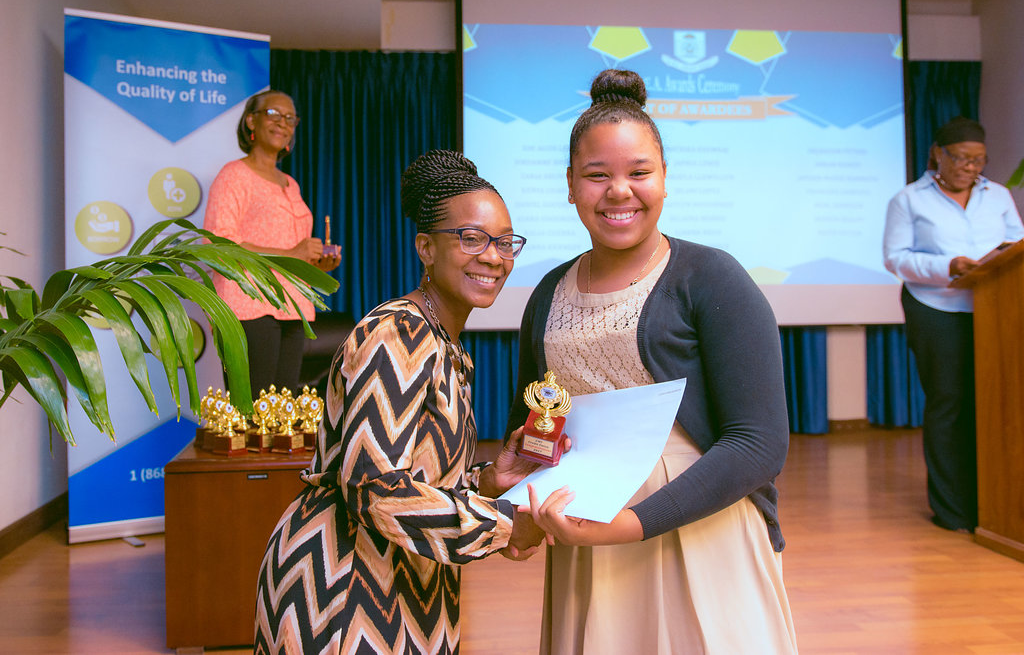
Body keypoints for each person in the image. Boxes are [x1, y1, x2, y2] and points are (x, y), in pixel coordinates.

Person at [508, 69, 798, 654]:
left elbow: (759, 444)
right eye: (597, 175)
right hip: (586, 531)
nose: (619, 191)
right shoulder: (547, 292)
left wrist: (632, 525)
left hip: (698, 525)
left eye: (639, 173)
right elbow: (539, 420)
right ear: (570, 184)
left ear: (665, 178)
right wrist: (524, 511)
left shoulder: (712, 277)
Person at [254, 149, 548, 654]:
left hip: (407, 579)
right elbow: (374, 487)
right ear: (425, 248)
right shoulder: (400, 333)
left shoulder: (445, 343)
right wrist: (503, 525)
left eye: (505, 242)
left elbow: (415, 476)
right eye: (472, 238)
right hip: (345, 587)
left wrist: (487, 481)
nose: (494, 257)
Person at [883, 116, 1024, 533]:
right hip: (935, 308)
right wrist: (949, 266)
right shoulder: (909, 199)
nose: (970, 167)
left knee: (994, 403)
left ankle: (991, 504)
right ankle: (952, 509)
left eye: (978, 160)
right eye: (962, 158)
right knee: (948, 403)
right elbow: (895, 258)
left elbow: (1017, 245)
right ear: (938, 154)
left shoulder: (998, 195)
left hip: (994, 310)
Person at [203, 89, 341, 395]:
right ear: (251, 121)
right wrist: (291, 253)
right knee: (254, 410)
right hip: (248, 304)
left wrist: (316, 265)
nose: (283, 123)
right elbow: (219, 244)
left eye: (290, 118)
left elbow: (294, 254)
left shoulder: (291, 184)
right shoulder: (234, 175)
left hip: (292, 306)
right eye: (274, 114)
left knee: (282, 410)